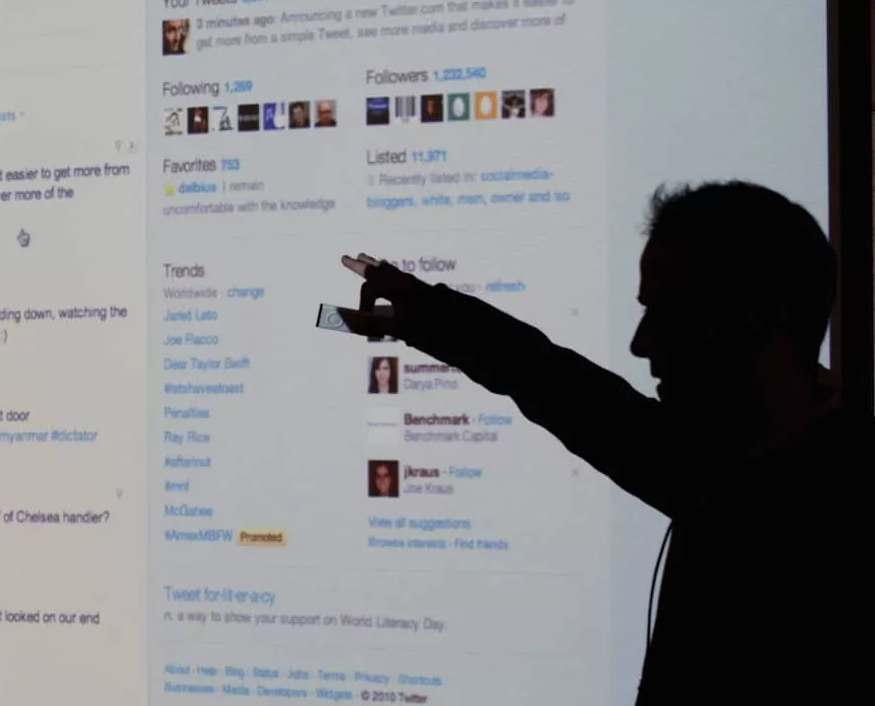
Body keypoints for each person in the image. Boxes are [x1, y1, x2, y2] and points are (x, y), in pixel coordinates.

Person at [338, 181, 867, 703]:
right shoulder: (731, 463)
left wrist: (425, 313)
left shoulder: (801, 502)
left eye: (671, 313)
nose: (641, 343)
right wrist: (422, 311)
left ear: (765, 321)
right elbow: (555, 383)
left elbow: (564, 390)